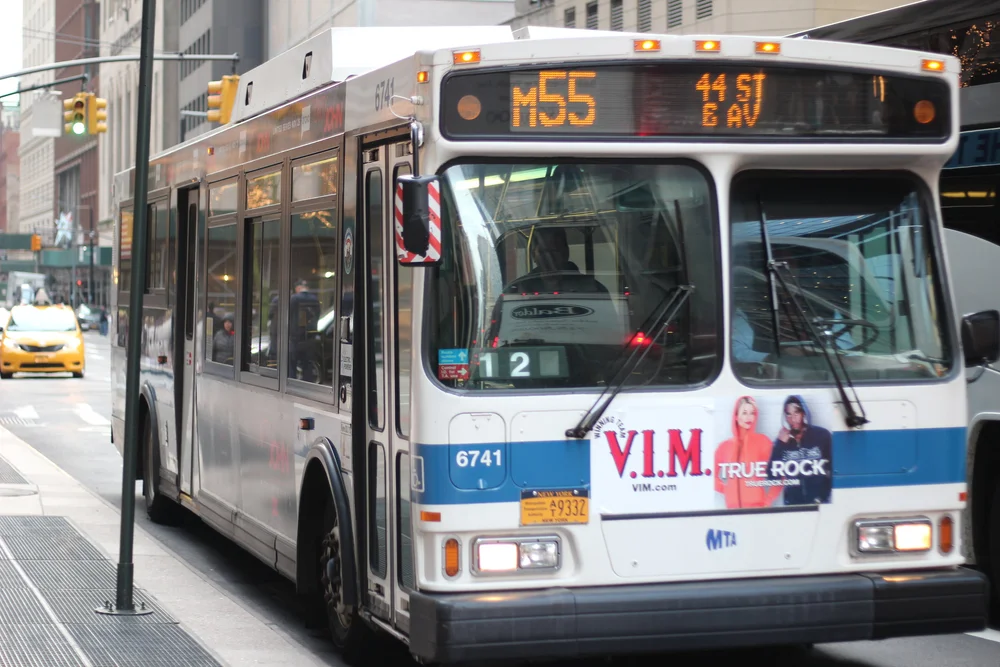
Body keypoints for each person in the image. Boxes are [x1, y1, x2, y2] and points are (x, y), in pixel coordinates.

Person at [714, 396, 781, 509]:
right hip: (732, 511)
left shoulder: (762, 442)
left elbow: (779, 475)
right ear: (736, 416)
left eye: (752, 413)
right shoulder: (724, 447)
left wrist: (767, 500)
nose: (749, 417)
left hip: (757, 511)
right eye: (744, 413)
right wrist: (727, 489)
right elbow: (710, 476)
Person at [768, 395, 833, 506]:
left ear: (804, 413)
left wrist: (825, 494)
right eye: (788, 414)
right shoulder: (781, 442)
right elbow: (771, 476)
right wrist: (780, 444)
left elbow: (835, 468)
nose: (793, 419)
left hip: (821, 503)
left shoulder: (822, 435)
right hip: (793, 507)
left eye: (796, 413)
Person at [508, 227, 608, 294]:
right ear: (533, 255)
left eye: (554, 251)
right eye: (542, 252)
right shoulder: (516, 290)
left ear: (566, 253)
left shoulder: (592, 289)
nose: (548, 258)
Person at [288, 280, 320, 381]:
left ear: (298, 288)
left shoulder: (294, 298)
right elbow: (317, 315)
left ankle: (292, 383)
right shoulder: (315, 299)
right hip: (310, 336)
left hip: (296, 337)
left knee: (292, 362)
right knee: (308, 362)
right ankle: (308, 382)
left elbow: (289, 316)